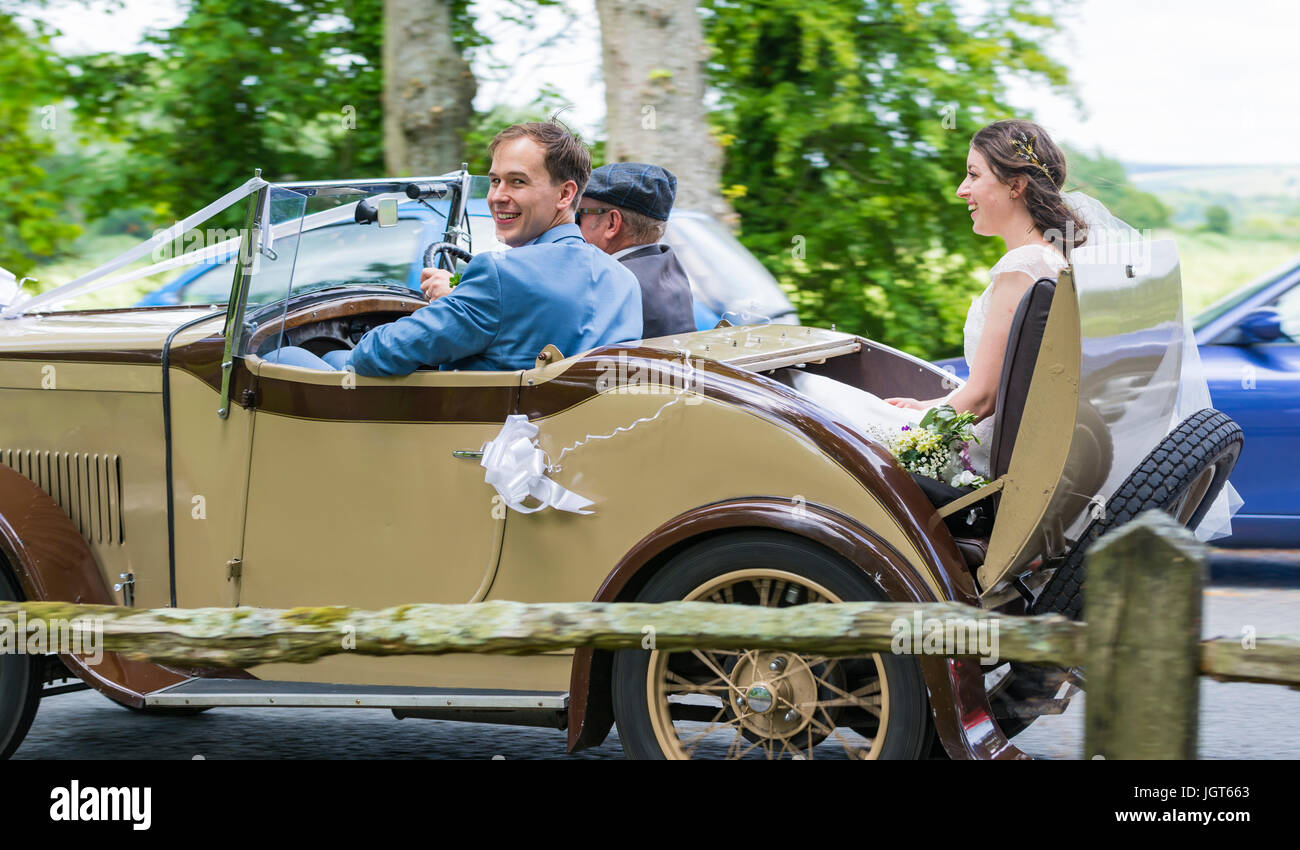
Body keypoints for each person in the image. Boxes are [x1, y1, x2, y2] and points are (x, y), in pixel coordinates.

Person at [793, 119, 1085, 478]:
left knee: (805, 389)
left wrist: (912, 440)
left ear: (1015, 185)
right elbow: (993, 387)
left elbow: (982, 399)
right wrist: (925, 405)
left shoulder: (1022, 268)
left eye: (974, 175)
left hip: (969, 453)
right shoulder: (1049, 259)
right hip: (985, 436)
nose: (962, 190)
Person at [267, 122, 643, 375]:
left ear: (565, 194)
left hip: (475, 444)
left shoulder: (501, 274)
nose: (498, 197)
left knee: (292, 356)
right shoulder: (624, 282)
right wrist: (458, 299)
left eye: (517, 182)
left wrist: (445, 306)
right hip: (563, 448)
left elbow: (378, 355)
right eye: (494, 180)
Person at [577, 162, 696, 338]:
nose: (574, 226)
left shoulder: (609, 284)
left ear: (612, 223)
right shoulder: (671, 269)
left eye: (579, 214)